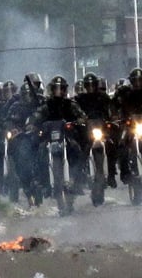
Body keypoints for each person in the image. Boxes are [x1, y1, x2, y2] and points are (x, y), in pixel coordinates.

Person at [28, 75, 87, 214]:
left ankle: (77, 178)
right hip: (50, 139)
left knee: (77, 151)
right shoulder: (47, 104)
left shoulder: (70, 104)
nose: (58, 92)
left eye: (61, 89)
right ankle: (44, 183)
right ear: (52, 90)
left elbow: (82, 115)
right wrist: (32, 123)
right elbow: (37, 115)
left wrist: (79, 120)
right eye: (56, 89)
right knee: (40, 153)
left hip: (67, 137)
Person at [112, 67, 142, 184]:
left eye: (140, 80)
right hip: (129, 125)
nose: (138, 83)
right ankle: (125, 173)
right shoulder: (124, 92)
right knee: (122, 145)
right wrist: (115, 115)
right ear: (131, 81)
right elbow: (114, 104)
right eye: (135, 80)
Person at [75, 72, 115, 187]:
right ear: (85, 86)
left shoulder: (104, 97)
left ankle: (111, 175)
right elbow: (75, 111)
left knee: (112, 147)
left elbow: (111, 109)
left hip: (102, 129)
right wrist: (79, 120)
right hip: (87, 130)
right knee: (81, 150)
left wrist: (113, 118)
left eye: (93, 85)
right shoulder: (80, 98)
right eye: (89, 85)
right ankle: (78, 177)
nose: (91, 87)